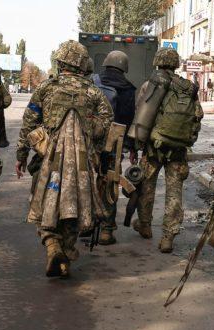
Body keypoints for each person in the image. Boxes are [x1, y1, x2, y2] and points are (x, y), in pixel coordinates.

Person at [16, 40, 113, 277]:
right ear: (82, 65)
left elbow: (29, 123)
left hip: (47, 160)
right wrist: (89, 139)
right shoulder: (94, 92)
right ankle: (66, 253)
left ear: (60, 62)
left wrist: (21, 155)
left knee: (42, 199)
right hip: (81, 164)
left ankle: (52, 245)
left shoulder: (46, 88)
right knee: (76, 204)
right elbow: (106, 124)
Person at [132, 48, 203, 253]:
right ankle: (168, 237)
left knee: (146, 187)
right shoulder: (188, 88)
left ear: (157, 62)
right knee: (174, 193)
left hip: (153, 148)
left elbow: (140, 115)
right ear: (176, 64)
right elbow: (197, 115)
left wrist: (136, 146)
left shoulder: (150, 85)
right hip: (178, 149)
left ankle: (145, 225)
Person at [93, 50, 137, 245]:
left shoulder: (94, 82)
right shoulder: (128, 89)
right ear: (124, 67)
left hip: (91, 141)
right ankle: (106, 230)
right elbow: (128, 119)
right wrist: (130, 146)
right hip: (114, 145)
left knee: (86, 180)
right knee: (109, 183)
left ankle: (86, 222)